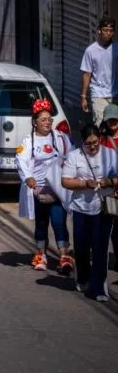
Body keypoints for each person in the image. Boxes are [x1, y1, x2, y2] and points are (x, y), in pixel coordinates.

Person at [60, 124, 118, 302]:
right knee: (82, 247)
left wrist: (108, 181)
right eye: (88, 144)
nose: (92, 147)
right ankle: (83, 278)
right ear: (81, 143)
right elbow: (65, 181)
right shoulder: (74, 156)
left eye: (95, 143)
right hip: (81, 209)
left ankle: (99, 287)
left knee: (100, 248)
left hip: (103, 208)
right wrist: (85, 184)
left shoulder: (110, 154)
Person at [16, 98, 74, 274]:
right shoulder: (28, 141)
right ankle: (41, 254)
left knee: (58, 221)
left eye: (49, 119)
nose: (47, 122)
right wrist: (28, 178)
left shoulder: (60, 137)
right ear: (35, 122)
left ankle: (64, 256)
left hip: (58, 189)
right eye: (43, 119)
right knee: (41, 223)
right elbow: (21, 160)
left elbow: (71, 156)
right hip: (39, 190)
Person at [80, 17, 116, 125]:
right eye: (105, 30)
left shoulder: (116, 48)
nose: (108, 33)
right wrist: (83, 97)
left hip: (115, 94)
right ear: (99, 30)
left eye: (111, 31)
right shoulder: (90, 51)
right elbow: (87, 74)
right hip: (98, 94)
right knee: (100, 125)